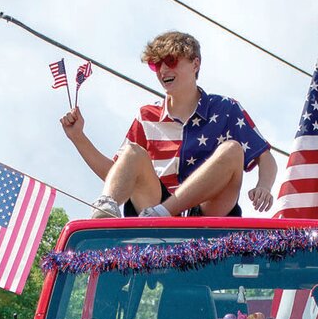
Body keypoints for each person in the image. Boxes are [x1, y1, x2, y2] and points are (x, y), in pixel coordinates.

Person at [61, 31, 277, 218]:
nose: (163, 70)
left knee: (232, 150)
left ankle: (162, 214)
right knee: (132, 153)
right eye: (156, 64)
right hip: (152, 206)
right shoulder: (146, 115)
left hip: (207, 210)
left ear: (195, 63)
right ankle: (105, 212)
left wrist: (264, 186)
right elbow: (119, 174)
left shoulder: (224, 108)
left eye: (171, 60)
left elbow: (265, 158)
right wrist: (78, 137)